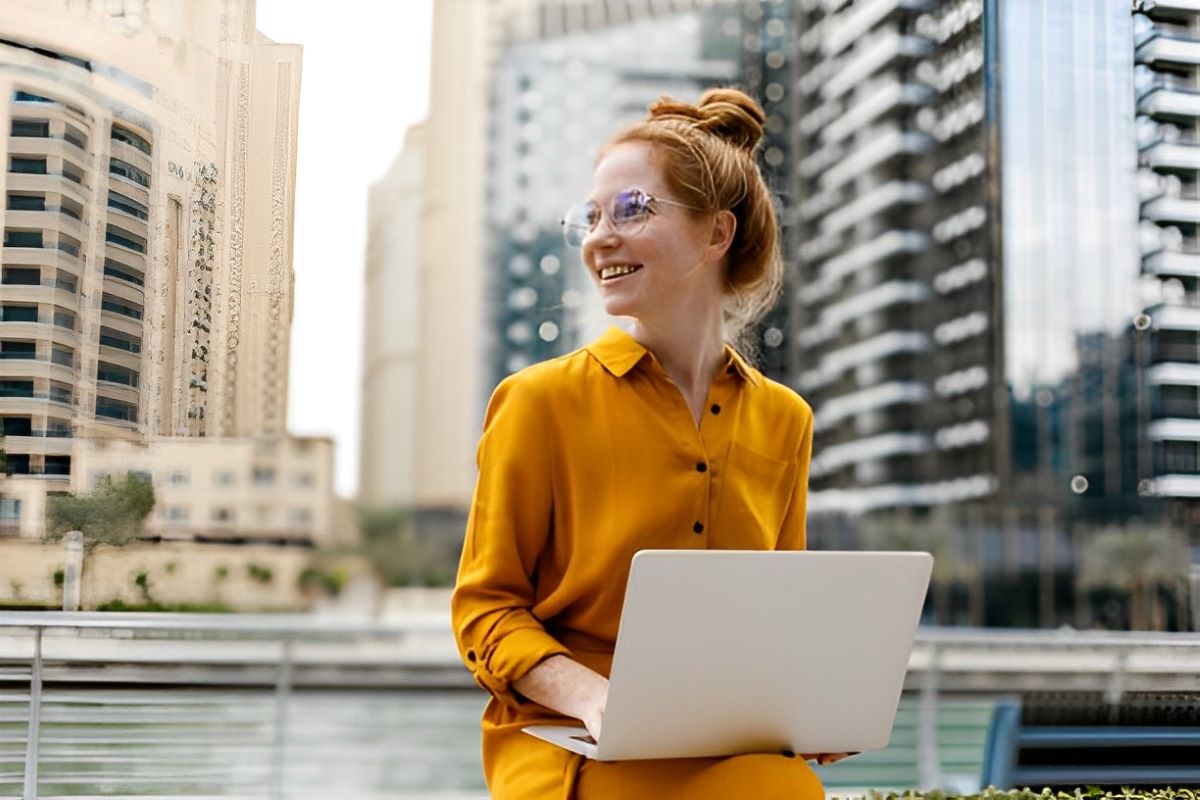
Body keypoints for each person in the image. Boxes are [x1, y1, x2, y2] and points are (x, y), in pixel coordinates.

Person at [451, 87, 847, 800]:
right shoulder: (537, 402)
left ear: (715, 235)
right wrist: (596, 697)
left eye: (632, 210)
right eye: (591, 217)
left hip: (727, 735)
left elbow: (776, 612)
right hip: (570, 738)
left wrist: (808, 705)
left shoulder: (786, 419)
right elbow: (485, 612)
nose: (600, 237)